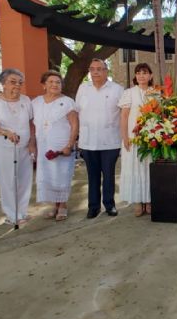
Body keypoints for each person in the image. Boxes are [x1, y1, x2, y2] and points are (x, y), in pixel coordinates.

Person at [0, 69, 35, 225]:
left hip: (24, 146)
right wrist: (5, 132)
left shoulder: (25, 100)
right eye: (13, 82)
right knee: (8, 181)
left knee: (25, 179)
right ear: (3, 83)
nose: (17, 85)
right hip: (2, 147)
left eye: (20, 82)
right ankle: (12, 214)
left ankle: (22, 211)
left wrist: (32, 144)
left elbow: (31, 123)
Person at [75, 58, 124, 218]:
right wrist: (77, 137)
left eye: (99, 69)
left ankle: (109, 205)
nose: (95, 72)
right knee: (92, 175)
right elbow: (77, 112)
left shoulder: (117, 89)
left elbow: (124, 115)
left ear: (106, 71)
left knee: (109, 175)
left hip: (110, 140)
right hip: (88, 141)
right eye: (92, 69)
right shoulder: (83, 88)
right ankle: (93, 207)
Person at [32, 71, 78, 221]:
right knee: (48, 175)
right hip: (43, 145)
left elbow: (74, 125)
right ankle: (55, 205)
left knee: (61, 175)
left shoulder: (67, 102)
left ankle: (63, 205)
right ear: (44, 85)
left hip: (61, 145)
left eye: (58, 82)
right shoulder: (36, 102)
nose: (55, 85)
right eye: (51, 82)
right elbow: (29, 124)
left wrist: (70, 144)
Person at [119, 63, 154, 216]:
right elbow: (124, 116)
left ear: (150, 76)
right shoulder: (129, 93)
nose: (141, 76)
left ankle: (149, 201)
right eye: (138, 73)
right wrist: (125, 137)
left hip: (152, 137)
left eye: (145, 73)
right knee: (135, 167)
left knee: (149, 169)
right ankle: (138, 202)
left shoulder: (156, 93)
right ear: (135, 76)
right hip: (133, 138)